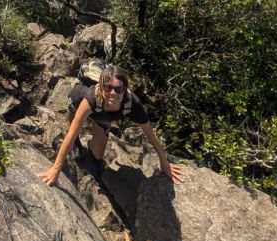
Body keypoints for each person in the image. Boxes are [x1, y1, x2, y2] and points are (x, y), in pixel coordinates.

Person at [38, 63, 185, 186]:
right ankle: (78, 143)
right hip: (79, 102)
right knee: (75, 126)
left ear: (125, 89)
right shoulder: (90, 99)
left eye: (118, 89)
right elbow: (71, 133)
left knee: (97, 155)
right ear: (101, 87)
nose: (113, 93)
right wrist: (55, 169)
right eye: (108, 87)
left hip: (102, 114)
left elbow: (150, 135)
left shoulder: (133, 104)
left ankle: (91, 149)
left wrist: (164, 163)